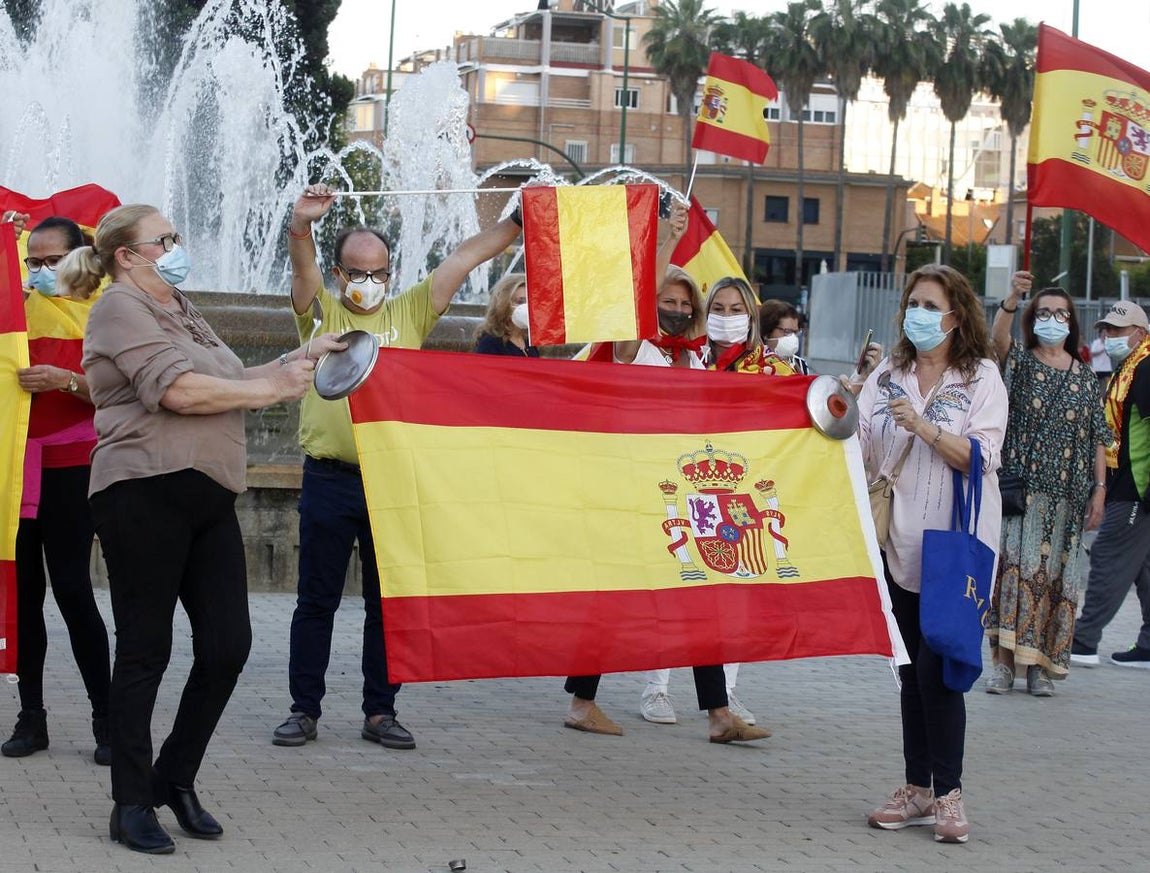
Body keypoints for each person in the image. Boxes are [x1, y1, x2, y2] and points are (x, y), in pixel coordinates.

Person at [71, 203, 336, 854]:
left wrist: (300, 359)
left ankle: (173, 777)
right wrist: (275, 388)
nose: (177, 246)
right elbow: (178, 392)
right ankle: (131, 802)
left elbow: (233, 380)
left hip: (209, 496)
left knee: (227, 646)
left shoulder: (181, 308)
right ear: (127, 255)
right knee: (146, 650)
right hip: (142, 490)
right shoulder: (118, 306)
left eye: (175, 236)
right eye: (164, 239)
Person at [273, 183, 522, 751]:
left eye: (379, 272)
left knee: (387, 604)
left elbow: (464, 256)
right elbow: (302, 266)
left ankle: (380, 711)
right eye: (357, 272)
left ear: (391, 273)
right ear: (340, 274)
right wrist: (301, 223)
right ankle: (303, 710)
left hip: (391, 482)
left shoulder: (411, 309)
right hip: (329, 477)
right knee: (316, 602)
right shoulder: (321, 312)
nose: (369, 281)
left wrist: (518, 221)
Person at [564, 253, 767, 745]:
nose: (677, 310)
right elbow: (630, 312)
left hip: (680, 493)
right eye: (666, 301)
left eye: (684, 303)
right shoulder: (635, 349)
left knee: (702, 599)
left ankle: (718, 713)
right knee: (614, 601)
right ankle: (582, 703)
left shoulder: (694, 359)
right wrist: (668, 242)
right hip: (631, 491)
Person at [854, 264, 1007, 844]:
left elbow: (982, 457)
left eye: (930, 306)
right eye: (912, 304)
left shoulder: (980, 377)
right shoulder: (889, 373)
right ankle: (917, 788)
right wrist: (843, 403)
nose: (918, 314)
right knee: (910, 673)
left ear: (956, 316)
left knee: (938, 672)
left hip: (954, 547)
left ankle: (949, 794)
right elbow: (860, 446)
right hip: (896, 542)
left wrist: (923, 426)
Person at [1, 216, 111, 765]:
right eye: (33, 261)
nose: (41, 270)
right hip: (16, 461)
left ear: (80, 256)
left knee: (72, 589)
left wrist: (64, 381)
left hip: (73, 460)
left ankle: (107, 719)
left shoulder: (111, 308)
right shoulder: (14, 307)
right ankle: (31, 717)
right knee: (22, 595)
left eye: (53, 261)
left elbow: (126, 389)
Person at [984, 273, 1109, 695]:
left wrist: (1099, 489)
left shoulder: (1085, 377)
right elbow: (998, 338)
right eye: (1044, 312)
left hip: (1067, 501)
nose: (1053, 320)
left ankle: (1040, 667)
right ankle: (1003, 666)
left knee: (1055, 582)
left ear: (1071, 322)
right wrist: (1013, 296)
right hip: (1023, 495)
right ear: (1032, 318)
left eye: (1061, 313)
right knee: (1013, 578)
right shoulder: (1020, 362)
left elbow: (1097, 438)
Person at [1069, 301, 1150, 668]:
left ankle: (1083, 641)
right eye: (1107, 329)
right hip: (1127, 483)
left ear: (1141, 333)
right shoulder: (1129, 368)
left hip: (1136, 488)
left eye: (1118, 330)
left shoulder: (1145, 369)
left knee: (1106, 556)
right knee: (1144, 566)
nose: (1110, 335)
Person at [473, 272, 539, 357]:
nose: (527, 307)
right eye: (520, 302)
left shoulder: (527, 340)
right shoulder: (490, 343)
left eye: (531, 302)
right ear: (504, 304)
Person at [759, 298, 809, 375]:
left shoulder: (801, 365)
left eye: (796, 332)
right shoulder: (751, 363)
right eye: (787, 331)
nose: (793, 337)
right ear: (767, 332)